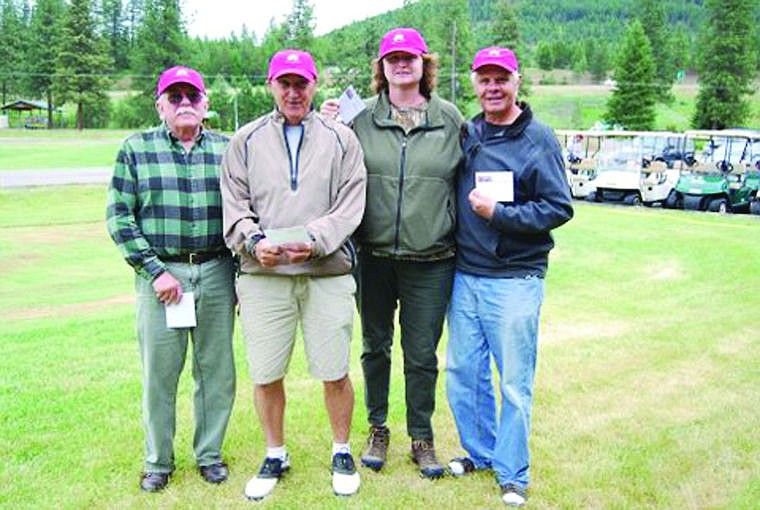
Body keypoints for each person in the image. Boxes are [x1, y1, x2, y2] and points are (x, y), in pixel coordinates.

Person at [220, 49, 367, 500]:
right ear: (271, 86)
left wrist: (317, 239)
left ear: (314, 85)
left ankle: (341, 449)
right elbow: (234, 203)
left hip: (326, 272)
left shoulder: (342, 139)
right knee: (265, 373)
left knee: (334, 370)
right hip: (264, 277)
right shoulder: (244, 140)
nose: (293, 92)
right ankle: (274, 452)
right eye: (284, 83)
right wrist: (253, 241)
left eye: (301, 83)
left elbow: (351, 202)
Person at [323, 27, 464, 478]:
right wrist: (327, 124)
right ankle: (377, 428)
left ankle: (421, 436)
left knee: (422, 354)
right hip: (374, 256)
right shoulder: (359, 118)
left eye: (410, 57)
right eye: (392, 58)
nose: (401, 64)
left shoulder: (451, 119)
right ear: (381, 68)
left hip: (432, 259)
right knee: (374, 347)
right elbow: (324, 165)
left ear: (425, 64)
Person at [445, 47, 573, 507]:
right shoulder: (468, 133)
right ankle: (478, 454)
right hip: (465, 275)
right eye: (485, 79)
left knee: (514, 383)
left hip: (515, 278)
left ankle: (513, 473)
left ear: (517, 81)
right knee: (463, 373)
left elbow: (560, 206)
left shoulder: (539, 139)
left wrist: (501, 214)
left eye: (502, 79)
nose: (493, 88)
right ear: (475, 83)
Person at [106, 65, 236, 492]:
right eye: (175, 96)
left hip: (217, 270)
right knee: (161, 374)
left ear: (206, 104)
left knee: (215, 371)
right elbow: (120, 217)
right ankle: (158, 461)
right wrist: (155, 271)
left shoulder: (228, 149)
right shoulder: (136, 149)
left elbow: (249, 207)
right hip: (162, 277)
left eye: (192, 96)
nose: (185, 104)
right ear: (160, 104)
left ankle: (210, 455)